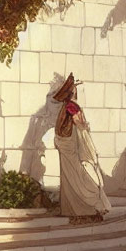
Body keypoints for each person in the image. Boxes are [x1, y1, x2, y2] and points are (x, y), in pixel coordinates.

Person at [52, 73, 111, 224]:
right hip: (69, 145)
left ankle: (76, 209)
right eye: (75, 88)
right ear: (72, 92)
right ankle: (85, 207)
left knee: (72, 175)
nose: (77, 91)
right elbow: (79, 123)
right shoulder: (72, 106)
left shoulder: (66, 106)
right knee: (76, 176)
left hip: (66, 144)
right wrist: (85, 127)